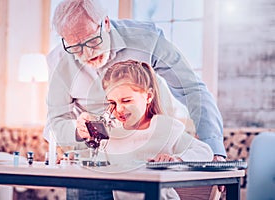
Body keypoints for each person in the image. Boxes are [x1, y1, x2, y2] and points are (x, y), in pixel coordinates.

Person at [43, 0, 226, 198]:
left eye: (92, 41)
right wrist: (77, 131)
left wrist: (215, 151)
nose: (87, 54)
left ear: (105, 23)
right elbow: (55, 121)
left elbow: (191, 89)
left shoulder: (146, 40)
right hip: (91, 169)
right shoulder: (59, 61)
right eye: (76, 47)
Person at [91, 60, 213, 200]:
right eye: (112, 102)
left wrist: (176, 159)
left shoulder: (165, 129)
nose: (119, 109)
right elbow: (96, 163)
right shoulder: (112, 135)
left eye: (126, 101)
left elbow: (204, 152)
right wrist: (75, 156)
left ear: (148, 96)